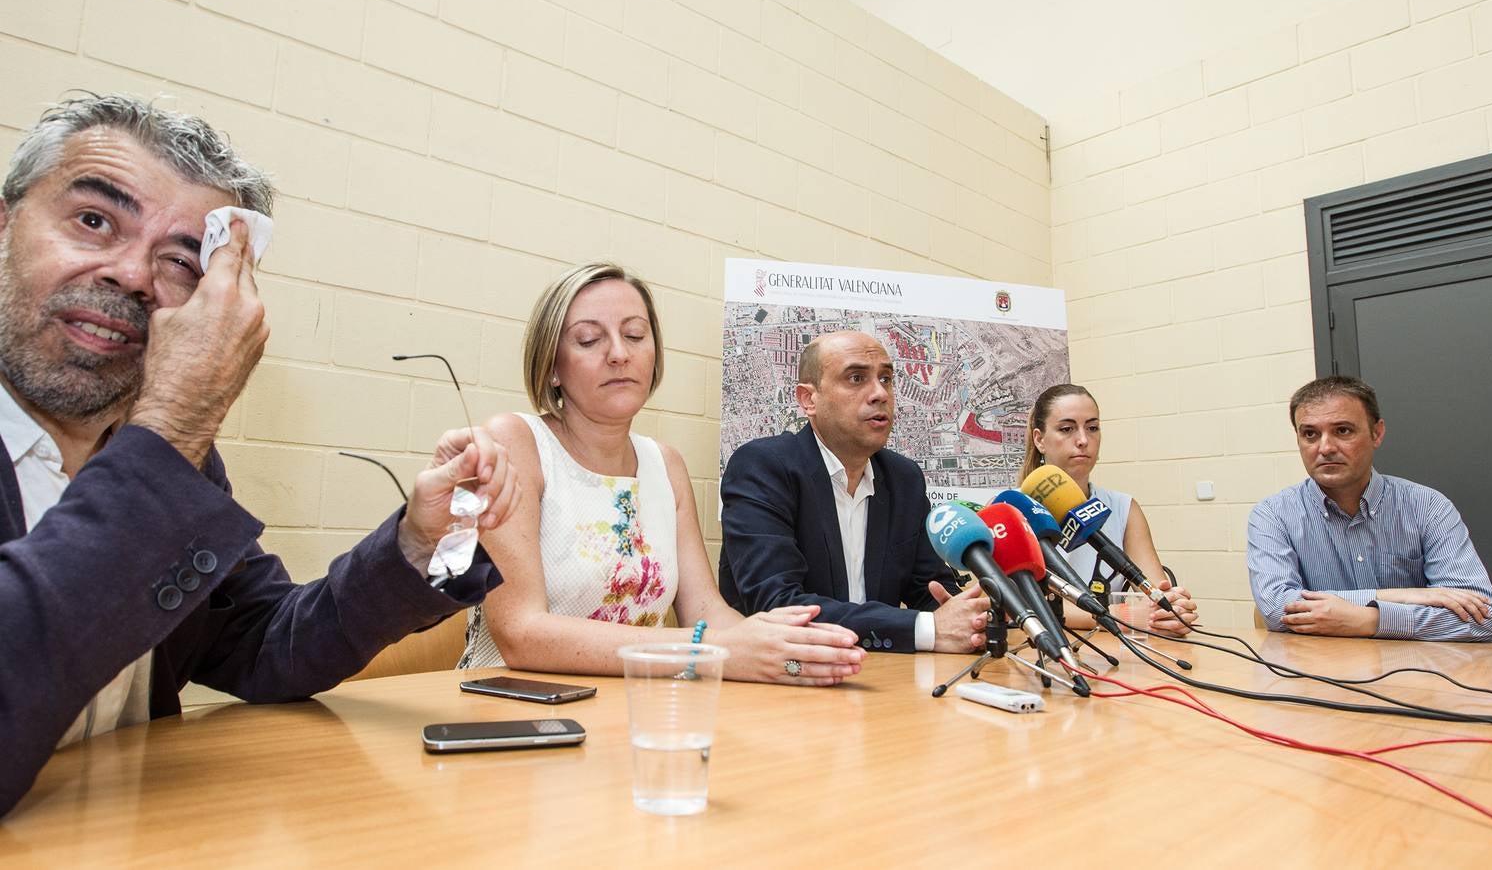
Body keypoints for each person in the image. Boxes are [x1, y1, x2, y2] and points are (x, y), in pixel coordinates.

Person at [0, 94, 520, 817]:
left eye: (181, 258)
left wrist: (417, 542)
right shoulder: (167, 450)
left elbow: (266, 644)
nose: (132, 275)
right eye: (94, 221)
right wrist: (176, 423)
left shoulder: (166, 457)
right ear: (5, 224)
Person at [460, 264, 866, 684]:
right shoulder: (515, 442)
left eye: (635, 335)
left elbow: (705, 611)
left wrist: (781, 639)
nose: (619, 353)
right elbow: (521, 633)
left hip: (635, 708)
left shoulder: (665, 464)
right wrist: (715, 651)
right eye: (589, 339)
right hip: (510, 711)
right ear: (552, 367)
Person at [718, 330, 990, 654]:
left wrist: (968, 618)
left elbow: (931, 590)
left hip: (881, 679)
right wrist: (927, 628)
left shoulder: (904, 479)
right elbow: (778, 606)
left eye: (886, 378)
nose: (880, 393)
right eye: (857, 378)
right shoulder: (763, 467)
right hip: (783, 679)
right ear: (809, 399)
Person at [1248, 376, 1492, 641]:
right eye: (1310, 434)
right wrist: (1395, 595)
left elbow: (1484, 617)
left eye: (1343, 430)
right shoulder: (1273, 514)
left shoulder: (1428, 507)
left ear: (1376, 433)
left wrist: (1372, 619)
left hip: (1416, 673)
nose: (1325, 448)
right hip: (1319, 673)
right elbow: (1276, 607)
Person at [1019, 383, 1197, 635]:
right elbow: (1013, 605)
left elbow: (1154, 596)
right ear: (1039, 439)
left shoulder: (1123, 507)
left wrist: (1172, 611)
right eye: (1067, 429)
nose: (1082, 440)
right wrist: (1116, 615)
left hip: (1111, 652)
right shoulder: (1012, 509)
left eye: (1092, 428)